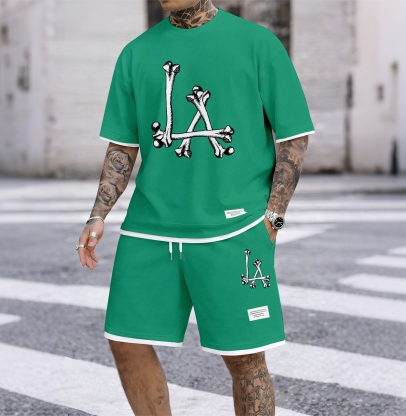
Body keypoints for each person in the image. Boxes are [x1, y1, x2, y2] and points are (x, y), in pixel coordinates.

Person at [76, 0, 315, 414]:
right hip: (150, 226)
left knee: (244, 357)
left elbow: (293, 137)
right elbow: (123, 146)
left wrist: (274, 215)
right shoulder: (136, 53)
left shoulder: (257, 43)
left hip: (234, 228)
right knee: (126, 342)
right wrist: (99, 214)